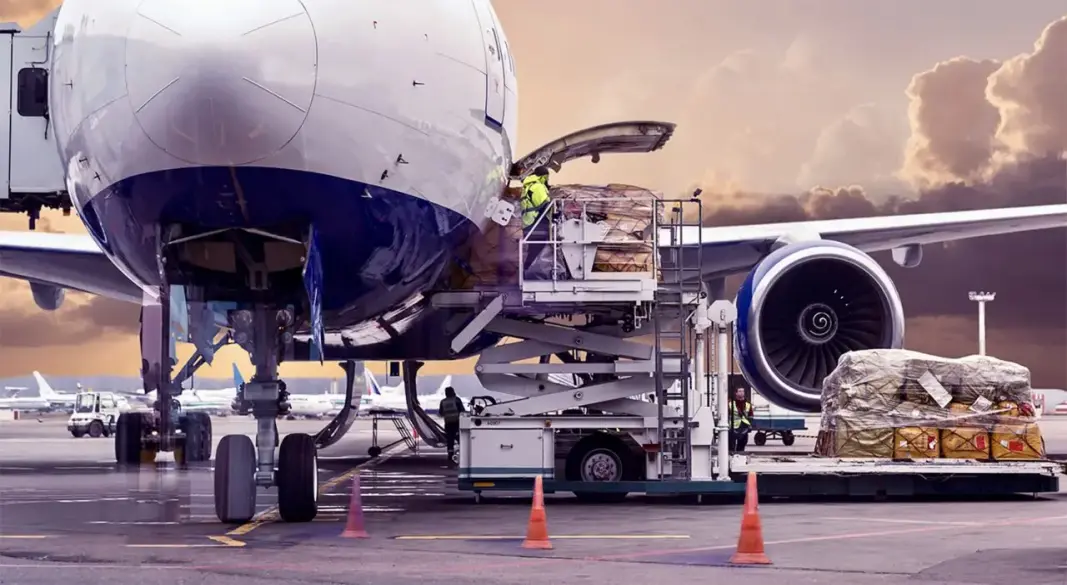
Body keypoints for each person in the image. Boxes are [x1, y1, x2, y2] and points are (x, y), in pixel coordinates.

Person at [520, 166, 553, 274]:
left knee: (534, 247)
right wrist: (555, 214)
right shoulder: (538, 186)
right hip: (536, 222)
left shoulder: (528, 186)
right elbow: (544, 204)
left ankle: (527, 269)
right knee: (539, 245)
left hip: (528, 223)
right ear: (544, 176)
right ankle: (528, 269)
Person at [438, 386, 465, 463]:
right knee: (460, 439)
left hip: (448, 423)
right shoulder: (457, 400)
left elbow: (441, 413)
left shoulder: (443, 402)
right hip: (457, 423)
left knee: (450, 440)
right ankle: (463, 453)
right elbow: (462, 411)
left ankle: (450, 455)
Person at [730, 387, 754, 453]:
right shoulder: (731, 404)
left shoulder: (748, 404)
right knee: (731, 447)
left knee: (742, 445)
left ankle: (739, 458)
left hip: (744, 428)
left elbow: (751, 416)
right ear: (736, 393)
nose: (742, 393)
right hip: (733, 428)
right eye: (740, 391)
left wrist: (749, 425)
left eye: (743, 391)